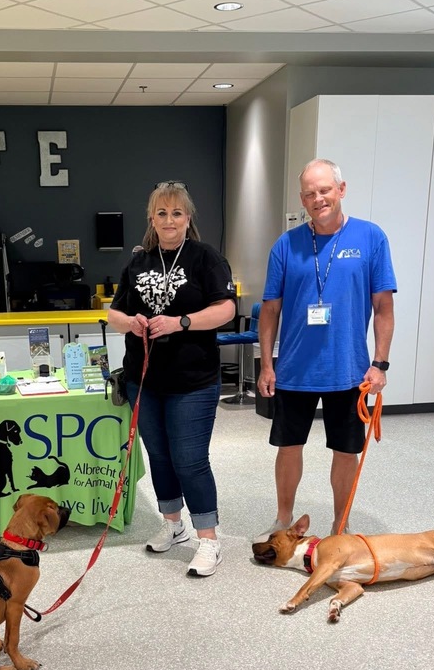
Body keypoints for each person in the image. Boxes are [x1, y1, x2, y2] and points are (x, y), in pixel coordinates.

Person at [255, 159, 396, 540]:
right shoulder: (286, 245)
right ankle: (284, 519)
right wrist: (267, 365)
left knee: (345, 450)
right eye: (310, 194)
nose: (318, 199)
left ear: (341, 189)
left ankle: (341, 523)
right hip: (295, 370)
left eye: (325, 190)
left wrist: (380, 363)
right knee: (288, 446)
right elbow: (270, 311)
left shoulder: (371, 238)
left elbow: (384, 308)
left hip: (349, 369)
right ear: (302, 199)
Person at [108, 181, 236, 577]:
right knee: (160, 456)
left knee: (190, 460)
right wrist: (133, 322)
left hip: (193, 381)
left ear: (188, 218)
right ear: (152, 218)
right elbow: (114, 315)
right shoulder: (138, 262)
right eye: (161, 213)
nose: (169, 220)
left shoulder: (205, 258)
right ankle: (173, 525)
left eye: (176, 213)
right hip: (144, 380)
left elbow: (227, 309)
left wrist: (181, 322)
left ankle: (209, 540)